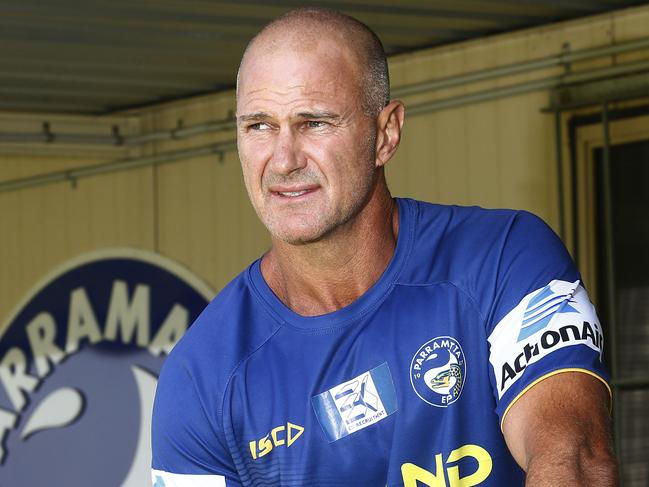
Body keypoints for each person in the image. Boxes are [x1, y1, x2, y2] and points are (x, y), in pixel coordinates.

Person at [151, 8, 618, 486]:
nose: (284, 160)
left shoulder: (503, 257)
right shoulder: (201, 376)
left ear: (386, 134)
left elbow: (575, 460)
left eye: (314, 122)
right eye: (258, 126)